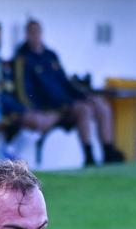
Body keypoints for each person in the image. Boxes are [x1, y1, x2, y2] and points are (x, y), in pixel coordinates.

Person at [13, 19, 125, 167]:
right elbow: (24, 91)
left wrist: (85, 95)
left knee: (101, 106)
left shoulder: (50, 55)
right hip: (51, 109)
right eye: (32, 32)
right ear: (27, 35)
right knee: (84, 110)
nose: (35, 36)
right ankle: (89, 156)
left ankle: (108, 151)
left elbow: (65, 82)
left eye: (38, 32)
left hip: (67, 103)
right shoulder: (22, 58)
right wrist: (40, 110)